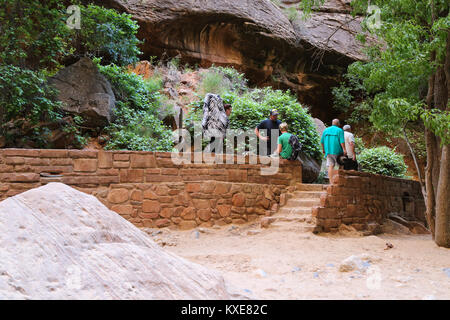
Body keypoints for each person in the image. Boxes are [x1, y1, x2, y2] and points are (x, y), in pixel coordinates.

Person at [320, 119, 347, 183]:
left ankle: (331, 182)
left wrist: (323, 149)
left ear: (332, 123)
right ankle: (339, 181)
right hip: (338, 151)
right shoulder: (340, 130)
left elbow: (322, 142)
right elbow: (342, 141)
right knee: (341, 165)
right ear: (338, 124)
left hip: (328, 151)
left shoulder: (326, 130)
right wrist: (344, 149)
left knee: (330, 166)